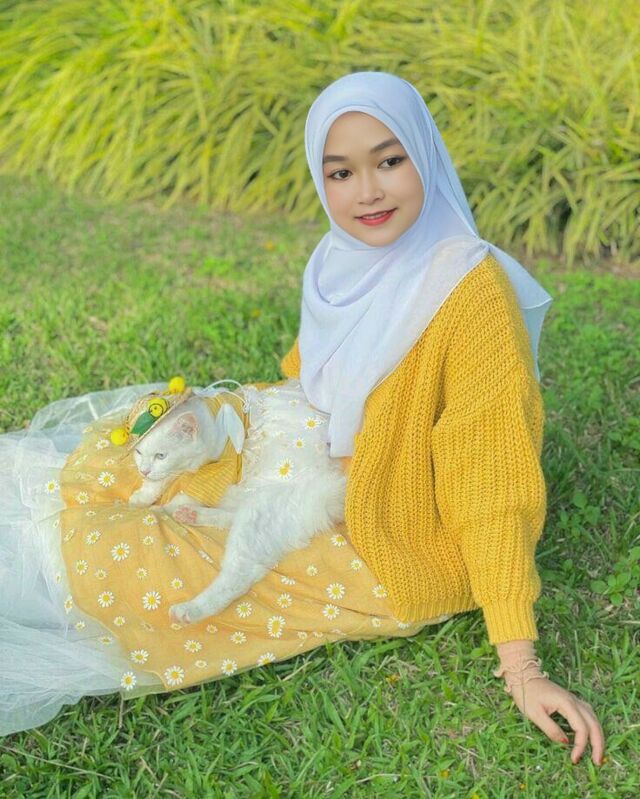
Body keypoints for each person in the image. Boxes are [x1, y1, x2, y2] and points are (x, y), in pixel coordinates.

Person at [0, 71, 604, 765]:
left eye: (390, 160)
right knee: (137, 457)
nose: (368, 191)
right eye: (341, 172)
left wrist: (522, 665)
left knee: (148, 556)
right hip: (309, 461)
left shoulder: (471, 297)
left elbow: (490, 480)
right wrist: (238, 425)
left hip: (390, 528)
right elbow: (312, 378)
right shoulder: (340, 263)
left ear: (426, 157)